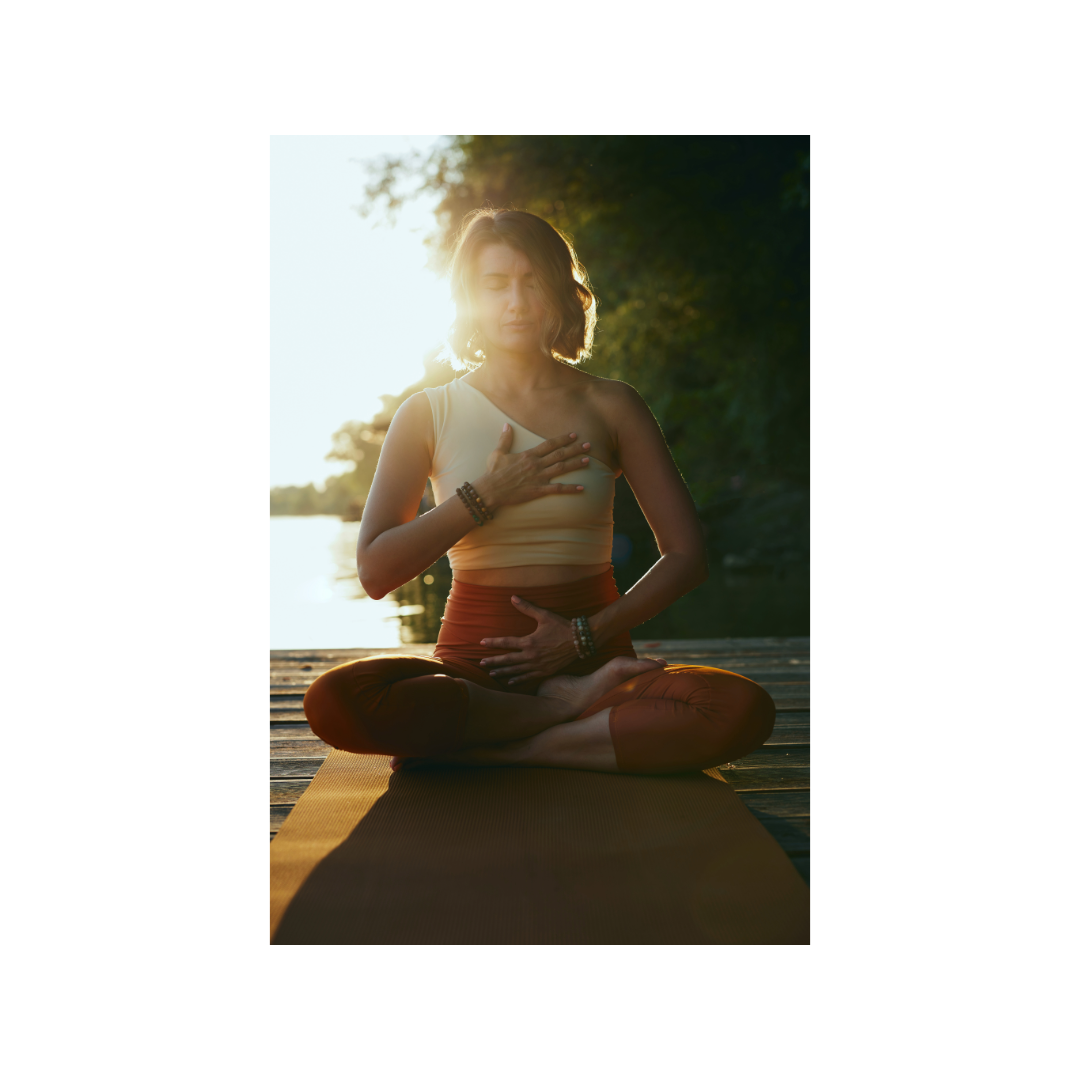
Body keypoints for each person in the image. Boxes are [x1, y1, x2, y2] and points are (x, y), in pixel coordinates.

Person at [303, 209, 775, 774]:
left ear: (560, 290)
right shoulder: (428, 413)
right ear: (467, 298)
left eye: (533, 282)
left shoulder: (612, 405)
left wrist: (581, 639)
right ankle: (563, 722)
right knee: (335, 700)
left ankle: (513, 743)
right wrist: (484, 497)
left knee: (739, 708)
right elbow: (376, 574)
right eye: (495, 284)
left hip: (595, 665)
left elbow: (686, 557)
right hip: (475, 676)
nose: (517, 302)